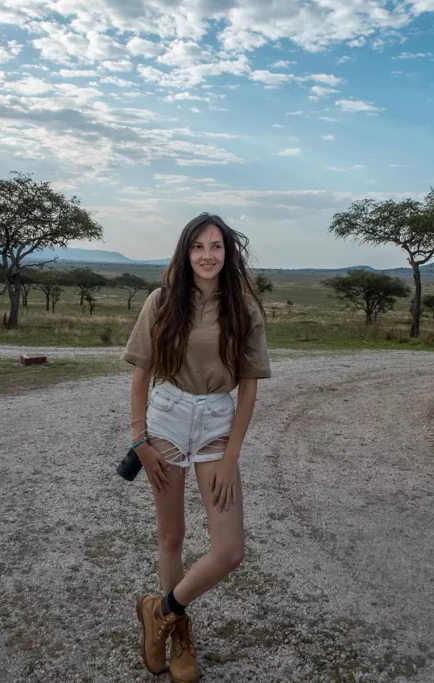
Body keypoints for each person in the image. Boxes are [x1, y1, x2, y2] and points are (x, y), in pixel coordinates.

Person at [122, 213, 271, 682]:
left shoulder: (244, 308)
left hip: (215, 423)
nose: (208, 255)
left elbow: (248, 388)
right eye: (199, 246)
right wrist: (139, 438)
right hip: (165, 416)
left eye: (217, 247)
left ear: (229, 254)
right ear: (185, 253)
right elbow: (141, 372)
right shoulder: (162, 301)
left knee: (229, 550)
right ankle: (179, 632)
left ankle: (160, 609)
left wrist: (231, 457)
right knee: (172, 535)